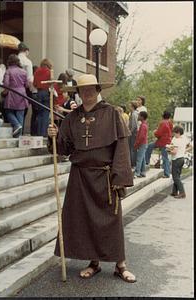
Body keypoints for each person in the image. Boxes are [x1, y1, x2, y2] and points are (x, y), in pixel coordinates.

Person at [47, 74, 136, 283]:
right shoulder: (72, 118)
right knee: (85, 220)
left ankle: (120, 265)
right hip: (80, 177)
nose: (86, 94)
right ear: (78, 93)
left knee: (111, 221)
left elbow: (121, 146)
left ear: (98, 90)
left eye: (90, 90)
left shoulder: (112, 113)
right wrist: (53, 135)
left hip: (105, 177)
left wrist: (119, 176)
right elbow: (64, 148)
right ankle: (93, 263)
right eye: (82, 90)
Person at [3, 54, 29, 137]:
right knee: (20, 113)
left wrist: (4, 92)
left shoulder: (8, 71)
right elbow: (27, 84)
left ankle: (16, 124)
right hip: (22, 93)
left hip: (12, 92)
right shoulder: (24, 71)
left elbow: (6, 83)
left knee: (8, 111)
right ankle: (19, 137)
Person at [145, 111, 173, 178]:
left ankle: (147, 161)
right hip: (167, 141)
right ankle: (167, 172)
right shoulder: (170, 123)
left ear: (163, 115)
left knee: (150, 147)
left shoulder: (163, 123)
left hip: (162, 142)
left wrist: (155, 132)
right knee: (165, 157)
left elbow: (159, 133)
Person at [168, 125, 189, 198]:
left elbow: (174, 152)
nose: (174, 134)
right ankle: (174, 192)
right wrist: (184, 150)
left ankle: (182, 192)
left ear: (178, 133)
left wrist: (168, 150)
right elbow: (189, 145)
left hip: (176, 159)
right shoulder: (184, 138)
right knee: (177, 175)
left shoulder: (176, 140)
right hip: (182, 158)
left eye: (175, 133)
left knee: (175, 177)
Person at [33, 58, 52, 137]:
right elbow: (51, 83)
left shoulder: (37, 71)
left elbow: (34, 83)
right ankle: (44, 133)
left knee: (40, 114)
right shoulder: (49, 72)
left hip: (39, 93)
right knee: (45, 114)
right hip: (46, 92)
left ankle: (39, 133)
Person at [134, 111, 148, 178]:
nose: (138, 117)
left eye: (139, 115)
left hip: (142, 144)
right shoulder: (144, 124)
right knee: (142, 158)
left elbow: (141, 137)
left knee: (139, 158)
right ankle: (143, 172)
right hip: (143, 143)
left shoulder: (143, 126)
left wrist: (137, 144)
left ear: (142, 117)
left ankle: (137, 172)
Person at [128, 101, 138, 168]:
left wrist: (130, 132)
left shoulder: (134, 114)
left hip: (133, 133)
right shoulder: (132, 113)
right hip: (132, 132)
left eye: (130, 106)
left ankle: (132, 163)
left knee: (132, 148)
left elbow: (134, 125)